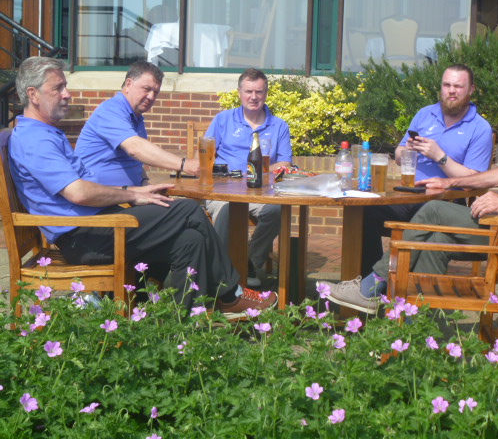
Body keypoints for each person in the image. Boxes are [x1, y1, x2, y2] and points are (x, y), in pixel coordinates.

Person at [9, 56, 277, 316]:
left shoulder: (46, 133)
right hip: (85, 236)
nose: (67, 94)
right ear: (33, 94)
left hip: (98, 223)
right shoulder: (36, 139)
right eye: (58, 88)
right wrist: (133, 193)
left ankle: (177, 321)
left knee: (191, 240)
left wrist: (136, 191)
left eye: (65, 86)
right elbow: (78, 192)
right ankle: (230, 295)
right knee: (188, 211)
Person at [321, 76, 498, 314]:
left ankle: (370, 288)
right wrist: (450, 183)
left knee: (433, 211)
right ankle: (416, 328)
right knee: (436, 241)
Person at [360, 64, 493, 275]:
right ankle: (368, 281)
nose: (451, 91)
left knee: (427, 215)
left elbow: (474, 180)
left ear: (471, 90)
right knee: (363, 213)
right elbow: (398, 156)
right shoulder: (425, 114)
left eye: (458, 86)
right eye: (446, 85)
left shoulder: (480, 128)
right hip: (408, 195)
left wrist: (440, 156)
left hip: (445, 201)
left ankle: (391, 281)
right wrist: (408, 150)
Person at [204, 68, 293, 286]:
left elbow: (285, 164)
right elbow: (206, 155)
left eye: (259, 92)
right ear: (239, 93)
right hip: (224, 191)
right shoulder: (223, 119)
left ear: (266, 94)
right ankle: (221, 274)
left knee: (277, 210)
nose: (254, 97)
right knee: (228, 209)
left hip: (260, 192)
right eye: (249, 91)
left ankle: (249, 262)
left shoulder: (279, 125)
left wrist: (258, 172)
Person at [74, 61, 200, 187]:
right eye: (147, 89)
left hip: (129, 193)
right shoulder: (109, 111)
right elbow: (135, 149)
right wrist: (185, 164)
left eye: (156, 92)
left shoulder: (136, 118)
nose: (151, 97)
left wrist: (145, 183)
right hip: (97, 195)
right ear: (129, 84)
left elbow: (135, 161)